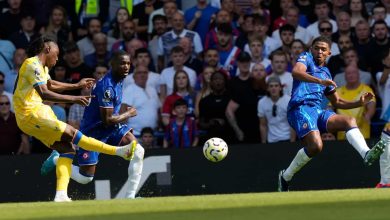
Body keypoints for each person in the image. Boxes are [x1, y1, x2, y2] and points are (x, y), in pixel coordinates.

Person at [13, 36, 134, 202]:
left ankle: (61, 195)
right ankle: (118, 151)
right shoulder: (31, 63)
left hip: (39, 112)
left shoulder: (42, 67)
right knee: (72, 133)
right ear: (47, 49)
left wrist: (77, 85)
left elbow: (50, 85)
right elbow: (45, 93)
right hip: (29, 114)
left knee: (67, 148)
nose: (58, 57)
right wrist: (74, 98)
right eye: (57, 53)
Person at [278, 36, 384, 192]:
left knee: (349, 120)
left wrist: (359, 103)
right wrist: (321, 82)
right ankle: (285, 176)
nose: (319, 51)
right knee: (316, 146)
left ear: (329, 53)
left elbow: (337, 102)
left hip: (317, 110)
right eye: (316, 48)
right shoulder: (305, 58)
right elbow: (296, 72)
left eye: (323, 49)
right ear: (311, 49)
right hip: (300, 108)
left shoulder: (326, 73)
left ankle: (366, 154)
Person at [41, 50, 144, 200]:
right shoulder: (106, 87)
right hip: (93, 132)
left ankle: (130, 197)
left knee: (138, 151)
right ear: (113, 64)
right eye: (122, 63)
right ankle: (57, 159)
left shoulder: (119, 78)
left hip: (112, 129)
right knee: (85, 178)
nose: (126, 66)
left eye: (128, 63)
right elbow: (107, 120)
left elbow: (109, 123)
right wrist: (128, 114)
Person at [258, 76, 294, 143]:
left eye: (276, 86)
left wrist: (292, 141)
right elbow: (263, 125)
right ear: (267, 88)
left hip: (286, 138)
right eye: (271, 86)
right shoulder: (262, 102)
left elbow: (292, 124)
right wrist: (263, 143)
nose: (273, 88)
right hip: (271, 140)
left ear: (280, 88)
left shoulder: (288, 101)